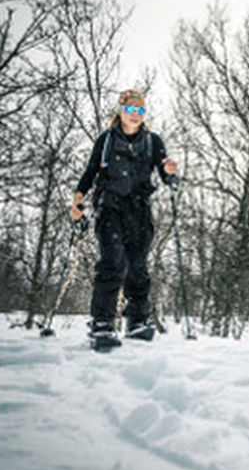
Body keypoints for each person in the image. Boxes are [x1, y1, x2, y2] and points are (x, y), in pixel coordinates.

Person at [71, 89, 179, 344]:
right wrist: (78, 200)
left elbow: (166, 175)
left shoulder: (153, 141)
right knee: (113, 261)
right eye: (131, 109)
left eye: (140, 110)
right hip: (110, 206)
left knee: (138, 265)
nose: (135, 114)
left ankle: (137, 322)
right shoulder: (107, 139)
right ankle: (102, 323)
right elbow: (90, 172)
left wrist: (171, 172)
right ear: (121, 110)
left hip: (140, 209)